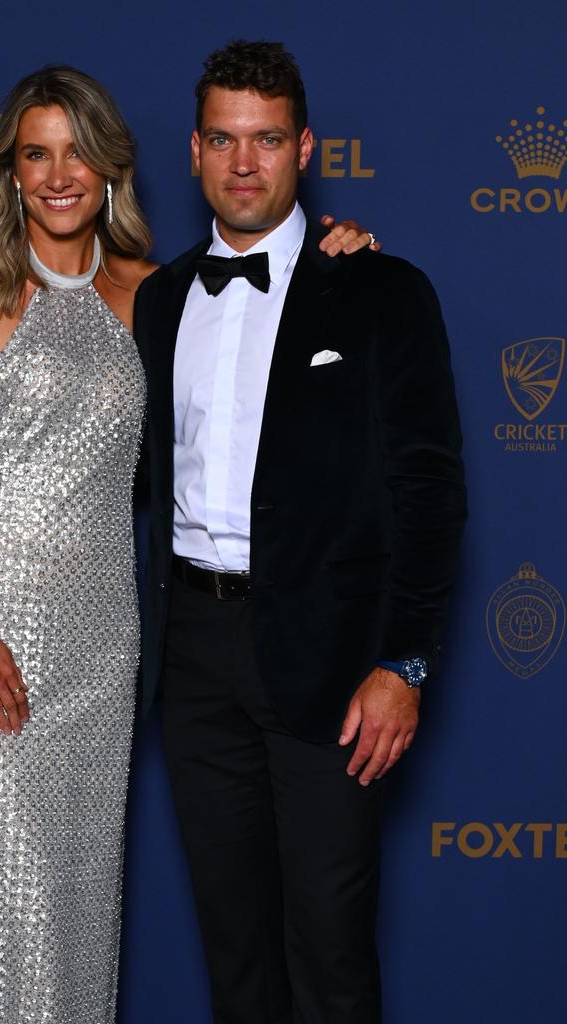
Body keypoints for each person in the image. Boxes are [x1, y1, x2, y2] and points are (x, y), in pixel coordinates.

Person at [0, 63, 376, 1024]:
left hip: (104, 644)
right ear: (12, 172)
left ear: (113, 165)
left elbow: (231, 422)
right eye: (37, 154)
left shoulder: (155, 298)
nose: (59, 173)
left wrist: (338, 258)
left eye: (78, 151)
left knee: (74, 905)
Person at [134, 40, 467, 1024]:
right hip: (193, 654)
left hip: (331, 659)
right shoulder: (158, 300)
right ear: (194, 151)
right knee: (234, 952)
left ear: (304, 148)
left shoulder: (379, 289)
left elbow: (430, 490)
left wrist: (403, 661)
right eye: (226, 140)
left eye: (268, 139)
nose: (246, 163)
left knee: (329, 951)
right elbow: (144, 467)